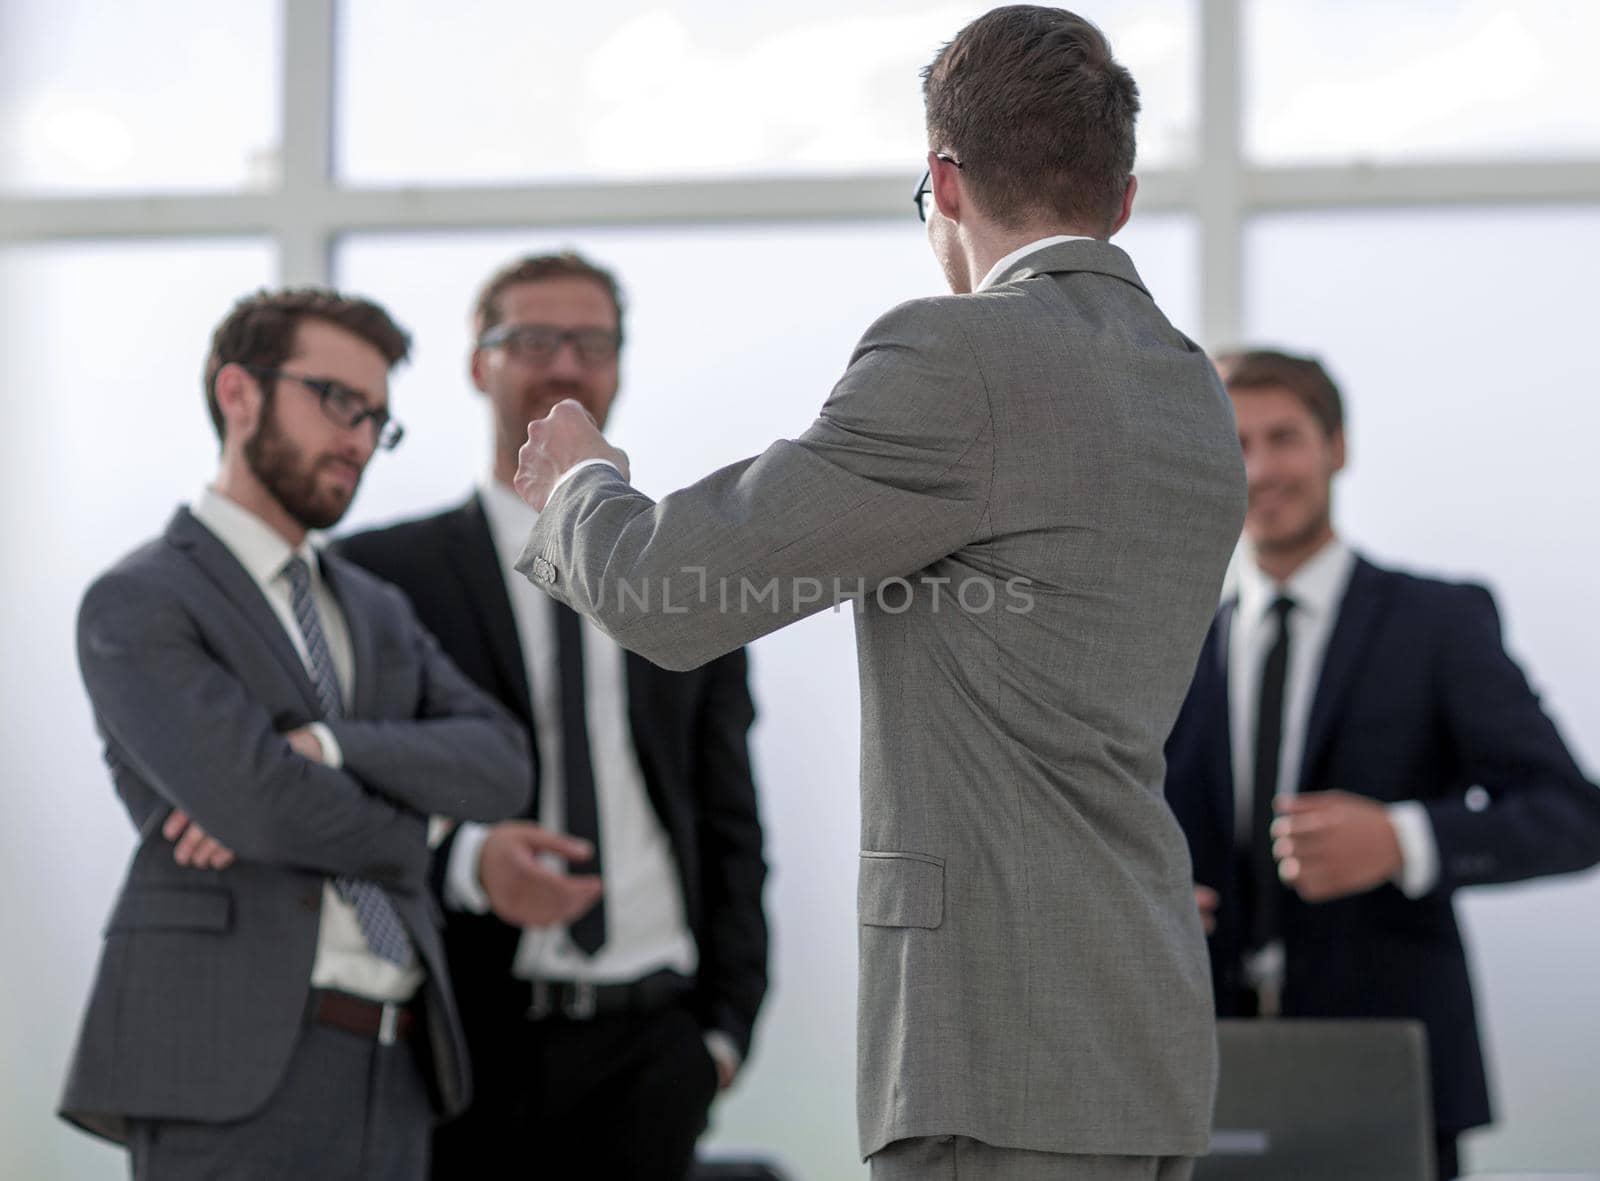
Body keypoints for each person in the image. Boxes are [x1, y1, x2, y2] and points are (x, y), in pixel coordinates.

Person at [509, 9, 1245, 1180]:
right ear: (1121, 197)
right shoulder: (1188, 386)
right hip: (1139, 1031)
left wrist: (580, 485)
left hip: (996, 1041)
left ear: (944, 183)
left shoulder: (960, 356)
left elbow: (669, 593)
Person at [59, 289, 540, 1181]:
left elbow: (504, 764)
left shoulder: (377, 609)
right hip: (222, 1061)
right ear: (237, 392)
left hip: (396, 1061)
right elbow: (263, 803)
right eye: (335, 401)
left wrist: (332, 748)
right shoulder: (141, 600)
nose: (359, 438)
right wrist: (424, 825)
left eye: (378, 420)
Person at [333, 252, 769, 1181]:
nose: (565, 364)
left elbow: (728, 808)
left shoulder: (685, 568)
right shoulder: (381, 576)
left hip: (655, 1041)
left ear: (618, 363)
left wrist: (725, 1030)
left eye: (591, 342)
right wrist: (464, 861)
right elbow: (340, 785)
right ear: (476, 362)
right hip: (463, 1041)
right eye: (531, 339)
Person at [1163, 347, 1600, 1180]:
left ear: (1337, 447)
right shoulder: (1173, 645)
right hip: (1200, 1071)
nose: (1260, 467)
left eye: (1284, 437)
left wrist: (1405, 840)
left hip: (1390, 1066)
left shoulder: (1439, 622)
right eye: (1235, 441)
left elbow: (1573, 815)